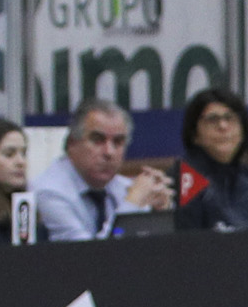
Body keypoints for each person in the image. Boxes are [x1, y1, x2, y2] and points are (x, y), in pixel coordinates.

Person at [29, 100, 173, 241]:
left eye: (118, 142)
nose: (109, 152)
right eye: (97, 140)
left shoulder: (123, 187)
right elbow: (91, 259)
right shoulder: (49, 191)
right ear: (72, 143)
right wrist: (133, 203)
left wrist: (159, 212)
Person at [175, 87, 248, 231]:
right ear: (194, 134)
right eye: (212, 119)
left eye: (230, 118)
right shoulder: (186, 177)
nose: (223, 126)